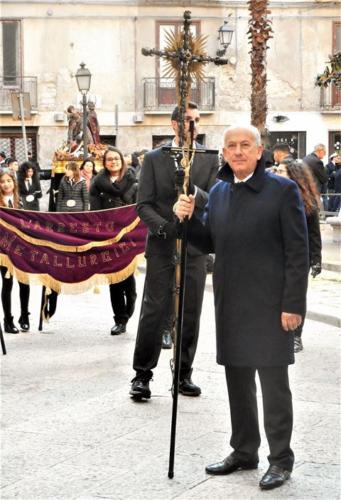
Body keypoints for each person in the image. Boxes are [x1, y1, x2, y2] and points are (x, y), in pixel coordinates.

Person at [174, 125, 309, 491]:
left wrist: (293, 304)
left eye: (244, 145)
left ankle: (280, 459)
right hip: (231, 302)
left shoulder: (283, 190)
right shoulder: (218, 193)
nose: (237, 151)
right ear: (224, 152)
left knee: (274, 386)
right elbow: (207, 241)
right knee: (237, 382)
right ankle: (244, 450)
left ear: (259, 150)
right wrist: (185, 220)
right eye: (231, 146)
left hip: (270, 306)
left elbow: (299, 252)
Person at [129, 101, 219, 400]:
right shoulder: (155, 158)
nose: (192, 125)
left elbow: (216, 199)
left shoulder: (209, 158)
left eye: (196, 120)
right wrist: (166, 227)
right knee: (154, 310)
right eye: (187, 120)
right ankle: (142, 375)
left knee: (191, 310)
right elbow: (143, 204)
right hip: (162, 245)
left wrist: (195, 196)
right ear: (174, 124)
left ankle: (183, 374)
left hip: (194, 247)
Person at [90, 147, 138, 335]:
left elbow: (141, 208)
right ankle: (119, 319)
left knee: (129, 282)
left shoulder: (133, 180)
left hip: (129, 236)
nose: (113, 162)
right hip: (109, 237)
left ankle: (129, 311)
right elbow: (94, 213)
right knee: (115, 280)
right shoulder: (98, 183)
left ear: (121, 160)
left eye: (116, 158)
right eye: (109, 159)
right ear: (105, 162)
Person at [276, 159, 322, 352]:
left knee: (297, 295)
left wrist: (316, 259)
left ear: (293, 176)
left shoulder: (306, 202)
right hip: (277, 255)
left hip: (299, 256)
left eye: (281, 171)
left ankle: (296, 336)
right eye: (276, 170)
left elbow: (314, 233)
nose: (277, 173)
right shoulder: (273, 195)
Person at [0, 171, 31, 333]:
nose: (6, 184)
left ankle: (24, 316)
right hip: (4, 251)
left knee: (24, 282)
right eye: (2, 182)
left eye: (9, 181)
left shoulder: (21, 202)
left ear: (14, 182)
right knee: (7, 284)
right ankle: (8, 320)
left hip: (21, 249)